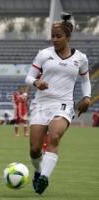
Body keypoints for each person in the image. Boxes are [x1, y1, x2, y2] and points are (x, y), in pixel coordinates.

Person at [25, 13, 91, 195]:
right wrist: (36, 83)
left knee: (54, 137)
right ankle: (38, 171)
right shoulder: (44, 54)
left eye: (58, 36)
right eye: (52, 36)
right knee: (34, 149)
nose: (54, 39)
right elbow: (29, 76)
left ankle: (44, 178)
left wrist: (86, 97)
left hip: (63, 104)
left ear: (68, 37)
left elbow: (85, 81)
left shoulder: (81, 58)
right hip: (41, 104)